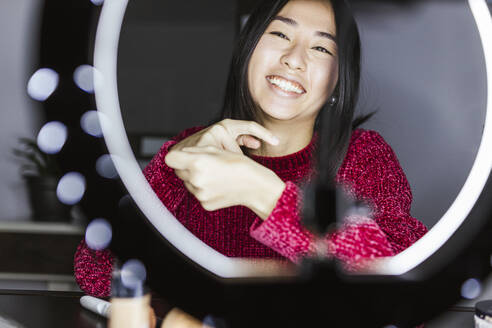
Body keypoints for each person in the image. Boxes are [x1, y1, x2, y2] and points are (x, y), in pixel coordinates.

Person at [74, 0, 428, 297]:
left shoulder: (362, 157)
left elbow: (403, 296)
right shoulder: (194, 151)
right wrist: (171, 167)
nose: (294, 58)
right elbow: (94, 273)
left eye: (321, 47)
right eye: (280, 33)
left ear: (338, 79)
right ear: (248, 50)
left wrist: (265, 193)